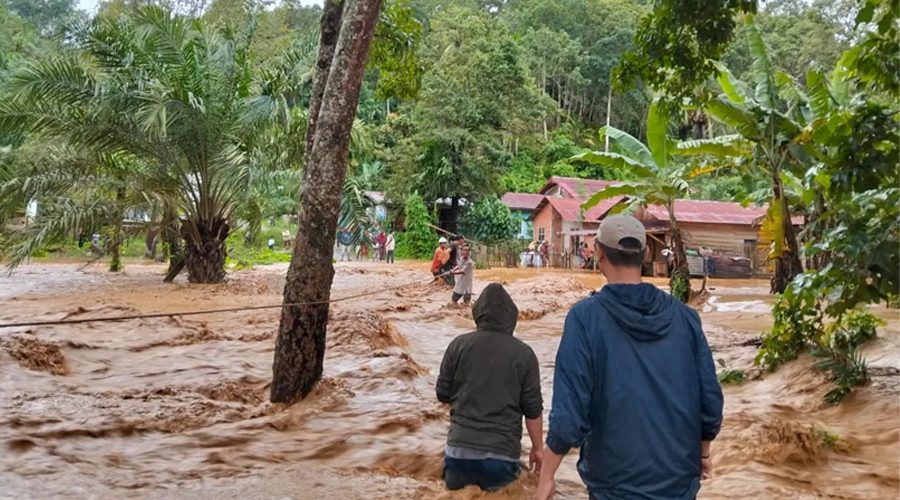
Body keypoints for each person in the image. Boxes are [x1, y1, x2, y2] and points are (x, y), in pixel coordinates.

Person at [537, 215, 724, 500]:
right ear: (646, 253)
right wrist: (703, 452)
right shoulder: (685, 318)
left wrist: (547, 475)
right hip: (678, 483)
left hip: (613, 485)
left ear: (599, 253)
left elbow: (570, 415)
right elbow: (710, 400)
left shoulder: (585, 318)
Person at [436, 283, 544, 492]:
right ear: (511, 317)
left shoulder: (458, 345)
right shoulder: (525, 354)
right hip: (502, 457)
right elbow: (533, 410)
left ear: (478, 314)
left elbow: (442, 394)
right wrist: (538, 449)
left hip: (458, 454)